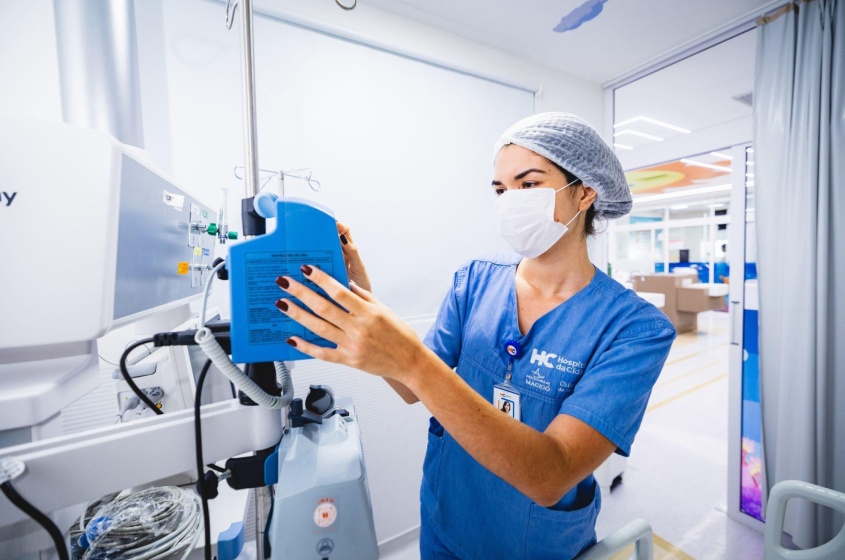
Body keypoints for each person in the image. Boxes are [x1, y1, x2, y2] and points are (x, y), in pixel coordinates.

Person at [273, 113, 676, 559]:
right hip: (447, 519)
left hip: (534, 543)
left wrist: (410, 358)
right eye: (501, 190)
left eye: (528, 185)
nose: (509, 201)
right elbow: (412, 388)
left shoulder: (634, 329)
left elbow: (550, 474)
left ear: (585, 193)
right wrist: (363, 298)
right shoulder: (476, 281)